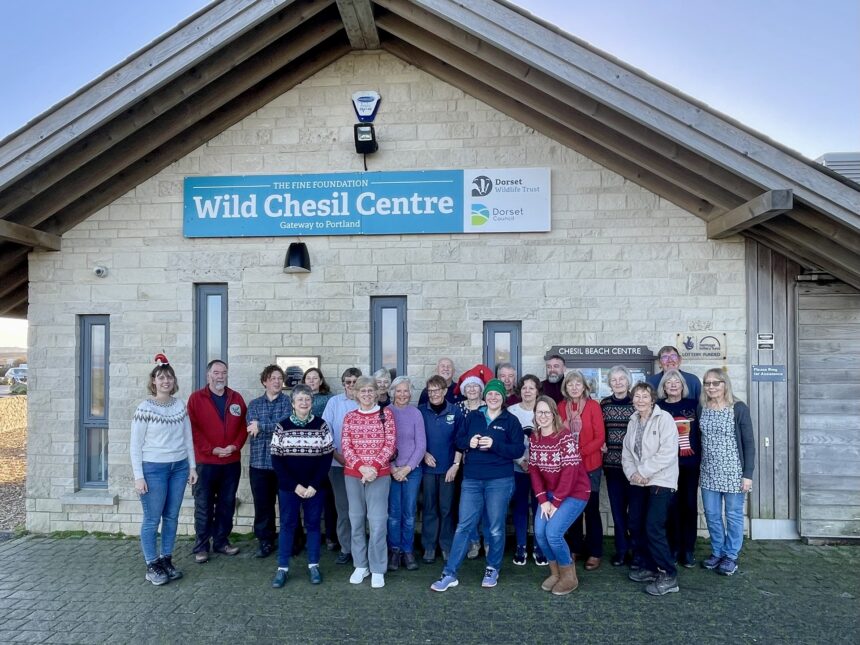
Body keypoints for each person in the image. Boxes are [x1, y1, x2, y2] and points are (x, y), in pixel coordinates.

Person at [430, 379, 524, 592]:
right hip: (472, 479)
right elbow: (458, 441)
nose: (493, 397)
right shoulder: (472, 416)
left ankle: (492, 568)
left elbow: (518, 450)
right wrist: (468, 443)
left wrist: (495, 444)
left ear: (503, 397)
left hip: (500, 480)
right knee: (464, 525)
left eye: (497, 394)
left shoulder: (510, 420)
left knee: (495, 527)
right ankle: (449, 573)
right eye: (490, 394)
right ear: (485, 396)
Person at [131, 354, 197, 586]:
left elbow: (187, 437)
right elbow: (135, 445)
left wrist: (192, 466)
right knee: (152, 519)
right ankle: (152, 564)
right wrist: (139, 476)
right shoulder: (144, 408)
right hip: (153, 469)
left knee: (171, 517)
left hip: (179, 468)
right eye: (161, 377)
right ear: (154, 382)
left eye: (169, 377)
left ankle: (166, 559)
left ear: (173, 381)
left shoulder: (180, 405)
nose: (165, 381)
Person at [269, 384, 334, 587]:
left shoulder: (321, 425)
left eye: (307, 399)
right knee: (287, 525)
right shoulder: (282, 426)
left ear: (312, 403)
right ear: (293, 403)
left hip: (315, 487)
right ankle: (282, 568)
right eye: (300, 400)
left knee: (313, 526)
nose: (304, 403)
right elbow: (276, 460)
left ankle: (313, 565)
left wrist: (314, 484)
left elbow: (327, 457)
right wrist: (294, 485)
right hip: (290, 488)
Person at [529, 396, 591, 595]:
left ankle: (569, 576)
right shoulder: (534, 437)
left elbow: (570, 473)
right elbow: (534, 470)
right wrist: (542, 500)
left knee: (553, 533)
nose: (543, 416)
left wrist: (554, 503)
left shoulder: (564, 437)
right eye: (539, 412)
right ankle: (555, 572)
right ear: (535, 415)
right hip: (549, 493)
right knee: (539, 532)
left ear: (554, 414)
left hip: (575, 492)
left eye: (547, 412)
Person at [187, 359, 247, 563]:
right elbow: (193, 430)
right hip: (206, 463)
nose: (220, 376)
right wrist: (211, 449)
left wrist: (234, 446)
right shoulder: (196, 399)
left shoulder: (236, 398)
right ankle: (201, 546)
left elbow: (242, 428)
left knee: (226, 504)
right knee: (203, 506)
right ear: (208, 375)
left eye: (223, 372)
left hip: (231, 462)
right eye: (216, 372)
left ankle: (221, 542)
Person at [623, 382, 680, 596]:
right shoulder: (633, 421)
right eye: (636, 396)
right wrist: (632, 474)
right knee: (635, 523)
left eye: (644, 396)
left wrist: (644, 471)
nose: (640, 400)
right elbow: (627, 453)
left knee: (653, 527)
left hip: (661, 480)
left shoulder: (664, 419)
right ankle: (648, 566)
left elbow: (667, 452)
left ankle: (668, 574)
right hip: (638, 481)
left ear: (653, 399)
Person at [698, 368, 755, 576]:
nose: (711, 387)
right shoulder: (702, 407)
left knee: (733, 515)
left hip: (733, 471)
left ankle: (731, 556)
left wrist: (747, 474)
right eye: (707, 383)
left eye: (716, 383)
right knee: (712, 515)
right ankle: (717, 552)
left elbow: (749, 443)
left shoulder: (738, 408)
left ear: (725, 384)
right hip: (709, 471)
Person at [342, 376, 397, 589]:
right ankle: (360, 565)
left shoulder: (387, 415)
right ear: (356, 394)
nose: (366, 394)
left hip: (379, 475)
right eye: (362, 391)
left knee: (377, 522)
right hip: (354, 475)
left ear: (376, 393)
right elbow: (346, 446)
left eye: (370, 391)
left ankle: (377, 568)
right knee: (356, 521)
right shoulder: (350, 417)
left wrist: (373, 467)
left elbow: (390, 444)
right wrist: (361, 468)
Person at [558, 370, 606, 571]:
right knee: (572, 510)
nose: (574, 387)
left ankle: (595, 552)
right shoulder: (561, 407)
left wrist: (579, 452)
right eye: (570, 384)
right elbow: (558, 433)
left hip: (590, 465)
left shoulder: (594, 406)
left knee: (591, 510)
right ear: (565, 388)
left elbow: (600, 437)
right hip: (568, 468)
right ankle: (575, 547)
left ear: (585, 387)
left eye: (578, 384)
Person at [245, 365, 293, 559]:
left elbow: (286, 427)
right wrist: (270, 428)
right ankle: (265, 542)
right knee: (263, 506)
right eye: (272, 378)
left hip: (283, 464)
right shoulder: (254, 404)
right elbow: (251, 427)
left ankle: (290, 541)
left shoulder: (288, 403)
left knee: (287, 505)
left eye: (279, 378)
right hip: (259, 464)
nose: (277, 381)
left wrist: (262, 426)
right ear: (265, 381)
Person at [657, 368, 701, 568]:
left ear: (683, 386)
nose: (673, 384)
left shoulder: (693, 405)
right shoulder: (658, 407)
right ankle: (673, 547)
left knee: (689, 506)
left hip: (690, 465)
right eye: (669, 382)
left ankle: (688, 549)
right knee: (670, 507)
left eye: (677, 382)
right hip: (666, 467)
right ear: (663, 387)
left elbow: (702, 433)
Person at [419, 375, 465, 564]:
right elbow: (415, 438)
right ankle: (429, 546)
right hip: (428, 470)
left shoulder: (455, 411)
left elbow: (460, 441)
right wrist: (423, 454)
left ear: (445, 391)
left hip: (449, 470)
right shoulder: (420, 412)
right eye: (430, 391)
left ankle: (446, 545)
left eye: (437, 390)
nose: (434, 394)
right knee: (429, 508)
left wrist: (455, 466)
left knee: (447, 509)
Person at [386, 376, 427, 572]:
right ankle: (394, 550)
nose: (403, 394)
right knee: (394, 513)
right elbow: (384, 444)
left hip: (412, 471)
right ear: (392, 393)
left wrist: (407, 468)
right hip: (391, 471)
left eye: (406, 391)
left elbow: (421, 445)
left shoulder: (415, 413)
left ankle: (407, 550)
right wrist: (394, 468)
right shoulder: (386, 413)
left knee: (409, 513)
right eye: (399, 391)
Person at [322, 368, 361, 565]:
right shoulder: (334, 403)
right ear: (343, 383)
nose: (351, 385)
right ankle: (346, 548)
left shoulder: (366, 401)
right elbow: (326, 431)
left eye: (355, 381)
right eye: (348, 382)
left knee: (361, 509)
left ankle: (361, 547)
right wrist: (337, 455)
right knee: (344, 509)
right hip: (338, 464)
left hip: (362, 467)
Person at [508, 374, 547, 566]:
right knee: (520, 507)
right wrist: (521, 460)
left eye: (532, 388)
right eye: (524, 387)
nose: (527, 391)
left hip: (541, 470)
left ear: (537, 391)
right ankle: (521, 546)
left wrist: (535, 463)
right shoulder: (511, 411)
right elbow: (507, 441)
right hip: (518, 468)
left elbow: (550, 438)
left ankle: (539, 546)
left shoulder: (544, 410)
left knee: (540, 507)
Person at [600, 365, 636, 567]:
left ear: (628, 381)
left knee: (635, 511)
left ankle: (636, 549)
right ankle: (622, 550)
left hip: (635, 468)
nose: (618, 382)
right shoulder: (604, 404)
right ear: (609, 383)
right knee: (617, 509)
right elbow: (600, 429)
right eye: (614, 379)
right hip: (612, 465)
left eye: (622, 378)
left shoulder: (637, 402)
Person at [302, 365, 337, 551]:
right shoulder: (298, 399)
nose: (312, 381)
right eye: (309, 378)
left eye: (315, 378)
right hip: (304, 456)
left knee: (329, 498)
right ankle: (310, 535)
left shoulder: (330, 399)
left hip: (324, 454)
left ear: (321, 381)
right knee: (307, 496)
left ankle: (331, 535)